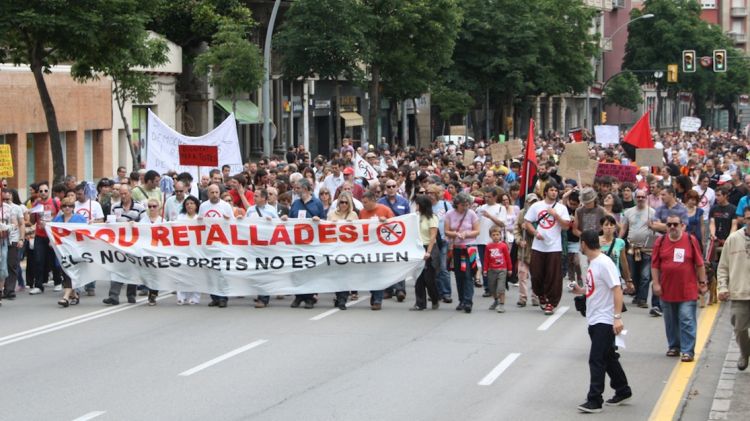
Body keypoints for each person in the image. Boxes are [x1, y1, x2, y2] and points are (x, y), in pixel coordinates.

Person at [572, 230, 631, 414]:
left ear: (583, 244)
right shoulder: (594, 263)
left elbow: (617, 289)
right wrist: (581, 290)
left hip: (605, 320)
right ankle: (622, 389)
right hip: (594, 317)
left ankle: (595, 399)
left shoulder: (604, 263)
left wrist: (617, 317)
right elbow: (596, 288)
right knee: (608, 357)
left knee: (596, 359)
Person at [651, 214, 708, 362]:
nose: (672, 227)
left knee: (687, 318)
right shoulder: (660, 241)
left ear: (682, 225)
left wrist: (702, 283)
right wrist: (656, 284)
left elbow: (699, 263)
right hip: (667, 289)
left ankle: (688, 350)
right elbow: (655, 265)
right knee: (670, 321)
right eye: (669, 225)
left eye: (675, 224)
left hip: (687, 289)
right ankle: (674, 346)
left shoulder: (690, 240)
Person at [523, 182, 571, 315]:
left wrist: (556, 216)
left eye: (556, 190)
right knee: (536, 274)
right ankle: (541, 294)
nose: (554, 192)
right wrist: (535, 233)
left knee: (553, 276)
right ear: (546, 192)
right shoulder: (536, 206)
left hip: (554, 247)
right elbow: (527, 222)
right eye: (551, 190)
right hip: (538, 246)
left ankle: (551, 302)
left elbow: (566, 226)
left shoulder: (561, 208)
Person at [717, 207, 750, 371]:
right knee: (739, 328)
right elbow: (723, 267)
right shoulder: (734, 239)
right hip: (739, 292)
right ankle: (745, 353)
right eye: (748, 218)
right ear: (744, 219)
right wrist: (722, 287)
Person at [286, 178, 326, 309]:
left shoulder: (317, 203)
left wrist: (318, 220)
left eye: (297, 188)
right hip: (298, 242)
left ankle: (309, 297)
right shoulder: (296, 203)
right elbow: (291, 220)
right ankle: (299, 296)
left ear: (305, 188)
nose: (295, 190)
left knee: (310, 269)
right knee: (298, 269)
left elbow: (325, 222)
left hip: (312, 243)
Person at [104, 185, 145, 305]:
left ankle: (131, 294)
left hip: (133, 242)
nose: (123, 196)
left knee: (132, 267)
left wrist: (134, 224)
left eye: (125, 193)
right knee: (117, 268)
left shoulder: (139, 207)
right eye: (121, 194)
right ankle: (113, 296)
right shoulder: (115, 207)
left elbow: (144, 224)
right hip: (118, 242)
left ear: (130, 193)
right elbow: (112, 223)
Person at [620, 189, 657, 310]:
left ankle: (642, 299)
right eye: (638, 197)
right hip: (632, 247)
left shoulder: (652, 212)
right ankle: (636, 294)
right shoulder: (628, 212)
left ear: (646, 198)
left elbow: (656, 230)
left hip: (646, 248)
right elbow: (624, 228)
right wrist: (617, 241)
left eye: (643, 197)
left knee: (645, 275)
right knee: (633, 273)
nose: (640, 199)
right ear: (635, 198)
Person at [359, 190, 396, 310]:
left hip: (381, 246)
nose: (364, 205)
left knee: (378, 273)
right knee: (369, 274)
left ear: (373, 200)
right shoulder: (362, 212)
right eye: (362, 202)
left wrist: (387, 221)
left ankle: (377, 299)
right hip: (368, 247)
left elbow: (396, 225)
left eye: (365, 202)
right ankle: (374, 293)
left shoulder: (385, 210)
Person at [444, 192, 480, 313]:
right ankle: (461, 300)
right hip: (456, 247)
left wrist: (466, 234)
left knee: (468, 274)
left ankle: (468, 301)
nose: (466, 207)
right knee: (458, 274)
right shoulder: (449, 214)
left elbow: (476, 231)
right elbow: (446, 231)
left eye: (467, 204)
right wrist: (455, 234)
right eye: (463, 204)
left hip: (469, 247)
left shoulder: (471, 214)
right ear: (457, 204)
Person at [378, 179, 411, 301]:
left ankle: (400, 290)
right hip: (385, 237)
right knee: (387, 264)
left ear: (397, 187)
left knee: (399, 263)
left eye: (393, 186)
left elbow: (409, 219)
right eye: (388, 186)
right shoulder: (380, 202)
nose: (391, 188)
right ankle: (388, 289)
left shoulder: (404, 202)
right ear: (385, 188)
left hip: (400, 237)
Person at [246, 188, 279, 308]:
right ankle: (260, 293)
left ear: (264, 198)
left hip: (266, 245)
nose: (254, 198)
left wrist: (272, 222)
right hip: (254, 245)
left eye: (256, 196)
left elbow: (278, 226)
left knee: (265, 270)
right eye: (254, 196)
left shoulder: (271, 211)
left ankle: (264, 298)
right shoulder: (250, 210)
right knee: (256, 270)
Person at [51, 198, 87, 307]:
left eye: (70, 206)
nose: (67, 208)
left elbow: (85, 233)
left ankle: (65, 297)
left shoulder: (79, 218)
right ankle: (74, 295)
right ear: (61, 207)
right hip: (62, 250)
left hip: (75, 250)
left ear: (73, 207)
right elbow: (52, 231)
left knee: (70, 271)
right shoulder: (57, 219)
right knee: (64, 271)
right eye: (65, 206)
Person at [29, 182, 62, 295]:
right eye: (41, 191)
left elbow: (61, 216)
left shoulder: (55, 202)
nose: (43, 193)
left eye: (45, 190)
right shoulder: (36, 204)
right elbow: (32, 221)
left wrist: (52, 223)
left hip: (52, 235)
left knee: (53, 260)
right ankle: (38, 285)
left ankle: (58, 282)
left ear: (49, 191)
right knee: (38, 260)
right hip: (40, 234)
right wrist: (32, 213)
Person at [327, 192, 359, 310]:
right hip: (335, 248)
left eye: (346, 202)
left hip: (348, 249)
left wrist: (352, 225)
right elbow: (325, 230)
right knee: (336, 275)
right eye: (342, 202)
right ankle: (338, 296)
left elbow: (359, 231)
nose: (344, 204)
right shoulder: (331, 215)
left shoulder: (353, 215)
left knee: (345, 274)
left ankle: (342, 299)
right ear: (338, 203)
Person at [410, 194, 440, 311]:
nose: (416, 206)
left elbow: (433, 236)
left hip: (429, 247)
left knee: (429, 278)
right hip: (418, 247)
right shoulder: (416, 217)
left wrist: (428, 252)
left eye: (417, 204)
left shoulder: (432, 217)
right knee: (419, 277)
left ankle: (435, 298)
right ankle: (420, 303)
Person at [476, 186, 507, 297]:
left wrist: (490, 216)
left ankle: (497, 286)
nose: (487, 199)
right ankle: (487, 288)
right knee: (485, 265)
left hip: (495, 241)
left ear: (495, 197)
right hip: (481, 240)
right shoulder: (481, 208)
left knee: (495, 264)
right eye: (485, 196)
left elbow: (502, 224)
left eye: (489, 197)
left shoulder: (500, 208)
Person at [175, 196, 201, 305]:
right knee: (182, 273)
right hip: (183, 249)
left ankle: (195, 297)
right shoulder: (180, 217)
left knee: (196, 274)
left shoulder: (200, 218)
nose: (189, 205)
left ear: (196, 205)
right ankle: (181, 296)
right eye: (187, 204)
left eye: (192, 203)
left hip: (197, 250)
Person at [483, 225, 512, 313]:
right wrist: (485, 269)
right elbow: (486, 259)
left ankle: (502, 304)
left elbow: (507, 258)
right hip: (492, 270)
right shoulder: (488, 246)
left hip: (502, 269)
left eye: (497, 234)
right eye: (493, 235)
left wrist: (509, 269)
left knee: (501, 288)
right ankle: (496, 300)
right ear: (490, 236)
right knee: (492, 288)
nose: (496, 236)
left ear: (500, 235)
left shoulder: (503, 246)